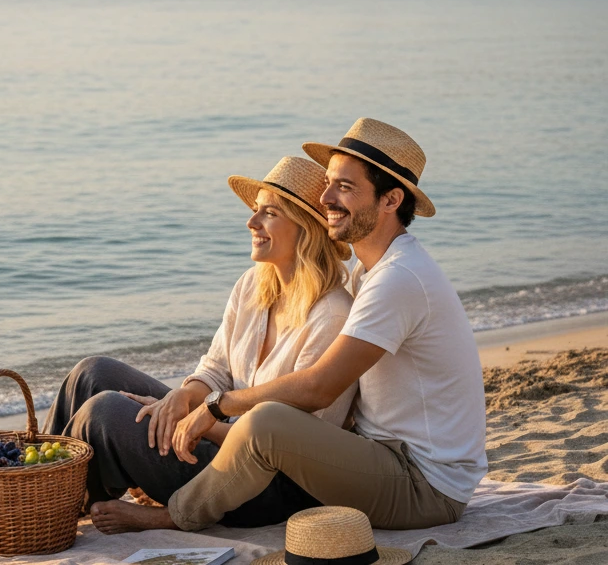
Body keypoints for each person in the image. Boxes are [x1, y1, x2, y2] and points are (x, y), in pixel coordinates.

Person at [150, 118, 487, 535]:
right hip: (384, 457)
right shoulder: (371, 272)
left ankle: (176, 515)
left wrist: (219, 404)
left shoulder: (399, 278)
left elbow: (318, 388)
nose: (325, 197)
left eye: (344, 186)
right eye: (328, 183)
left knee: (264, 423)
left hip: (424, 486)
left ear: (390, 200)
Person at [43, 156, 358, 532]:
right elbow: (216, 369)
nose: (251, 223)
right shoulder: (253, 285)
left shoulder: (331, 315)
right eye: (255, 210)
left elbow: (293, 448)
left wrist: (197, 421)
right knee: (92, 374)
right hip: (220, 430)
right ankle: (40, 487)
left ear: (305, 228)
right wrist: (183, 397)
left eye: (269, 213)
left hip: (263, 482)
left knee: (105, 413)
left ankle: (47, 507)